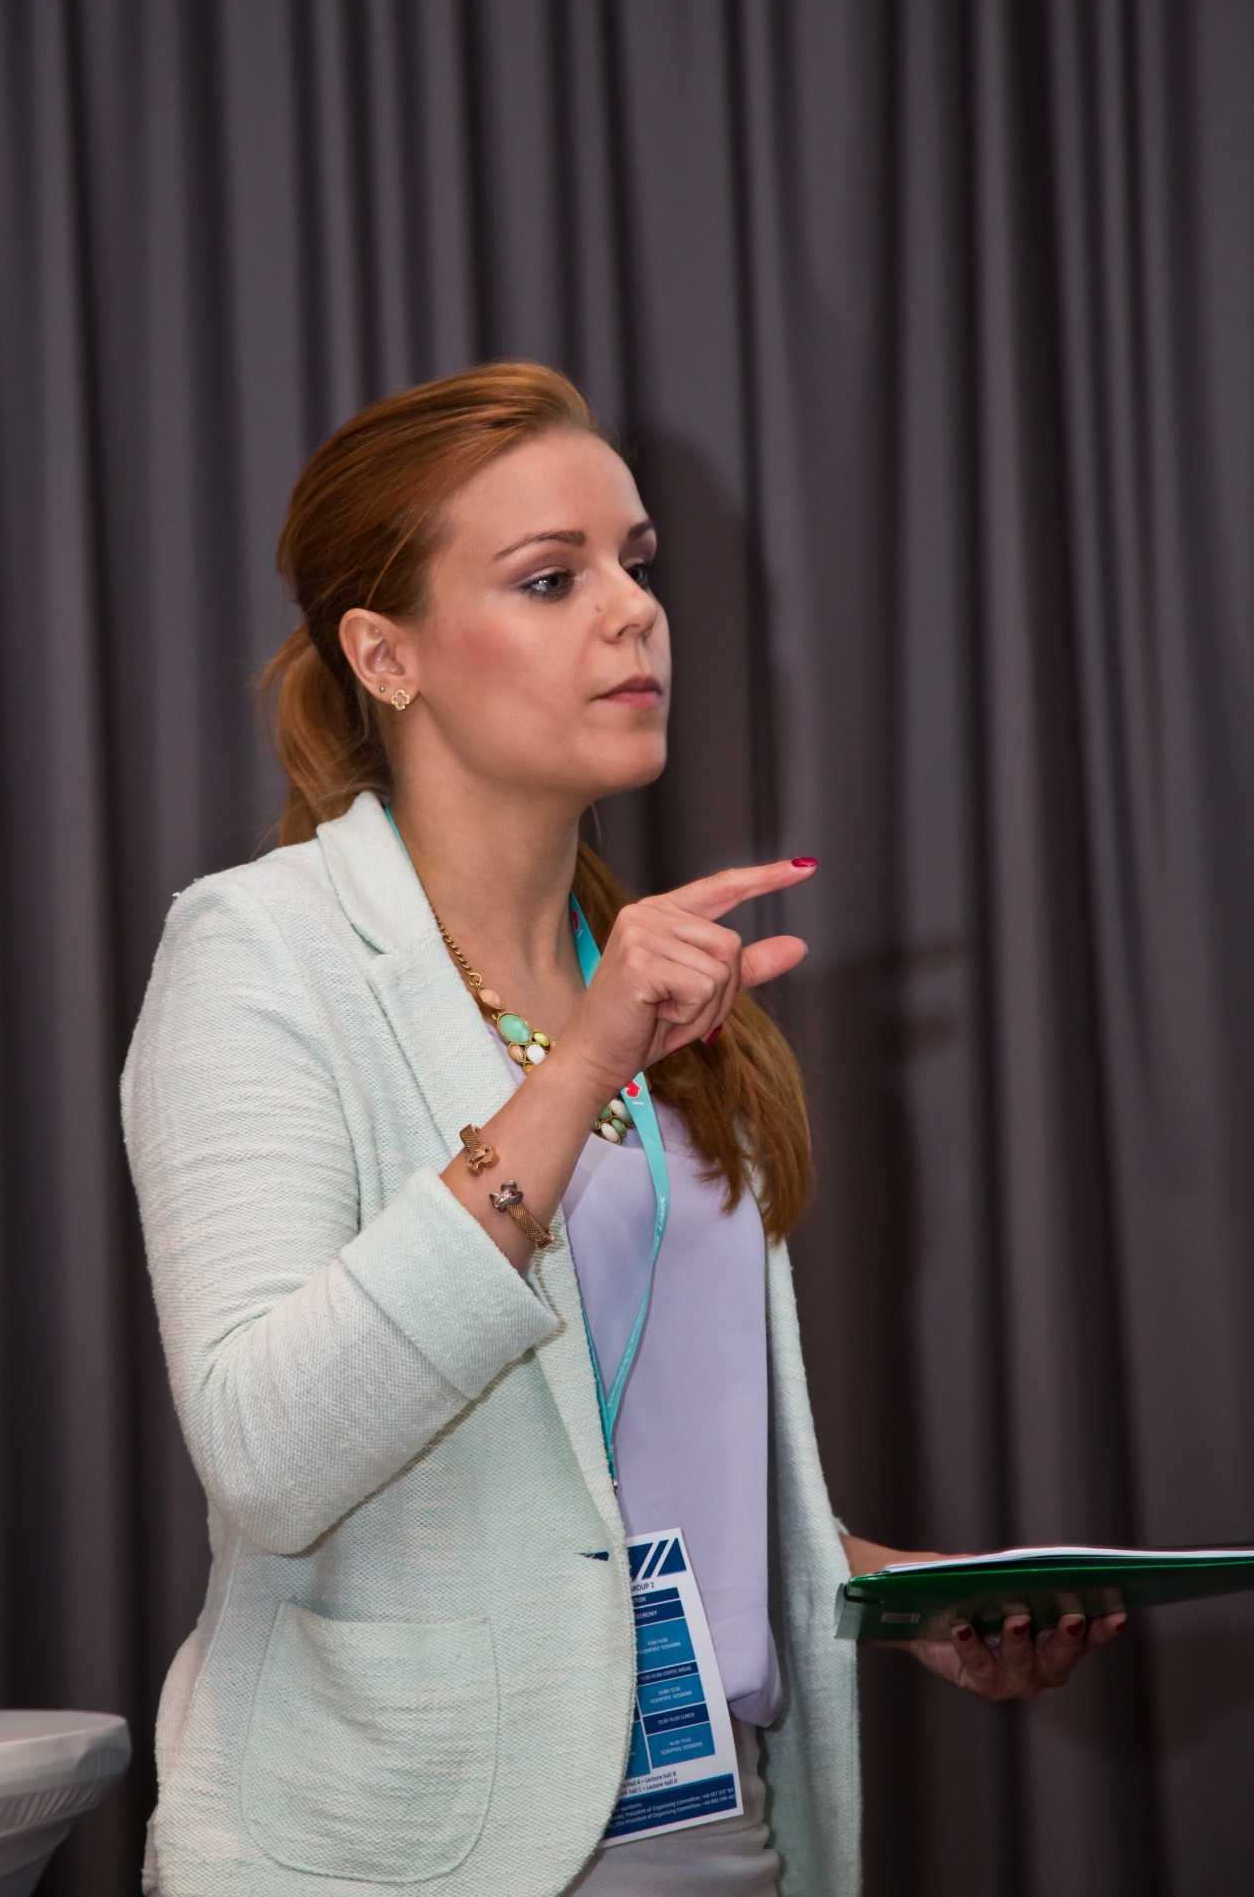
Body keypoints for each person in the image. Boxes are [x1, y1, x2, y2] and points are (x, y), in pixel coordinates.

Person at [122, 363, 1124, 1897]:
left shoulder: (655, 983)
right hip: (390, 1857)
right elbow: (268, 1457)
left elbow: (622, 1480)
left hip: (726, 1838)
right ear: (384, 655)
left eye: (636, 564)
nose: (634, 612)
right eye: (552, 578)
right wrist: (579, 1069)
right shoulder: (262, 951)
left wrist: (888, 1592)